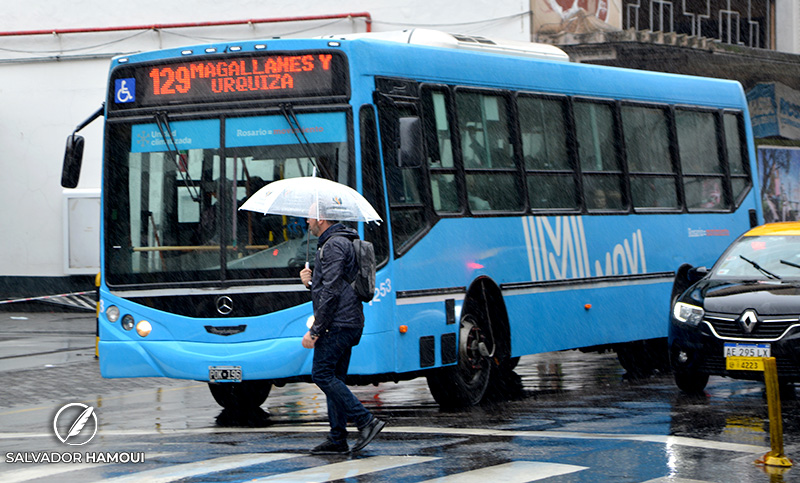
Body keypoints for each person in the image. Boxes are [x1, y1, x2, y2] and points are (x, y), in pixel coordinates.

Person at [299, 205, 385, 455]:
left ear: (322, 218)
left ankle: (366, 421)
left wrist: (315, 330)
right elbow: (331, 284)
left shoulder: (334, 244)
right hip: (347, 321)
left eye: (310, 216)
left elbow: (333, 290)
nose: (307, 221)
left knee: (322, 375)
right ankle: (337, 437)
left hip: (339, 324)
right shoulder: (339, 241)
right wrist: (311, 282)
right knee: (334, 378)